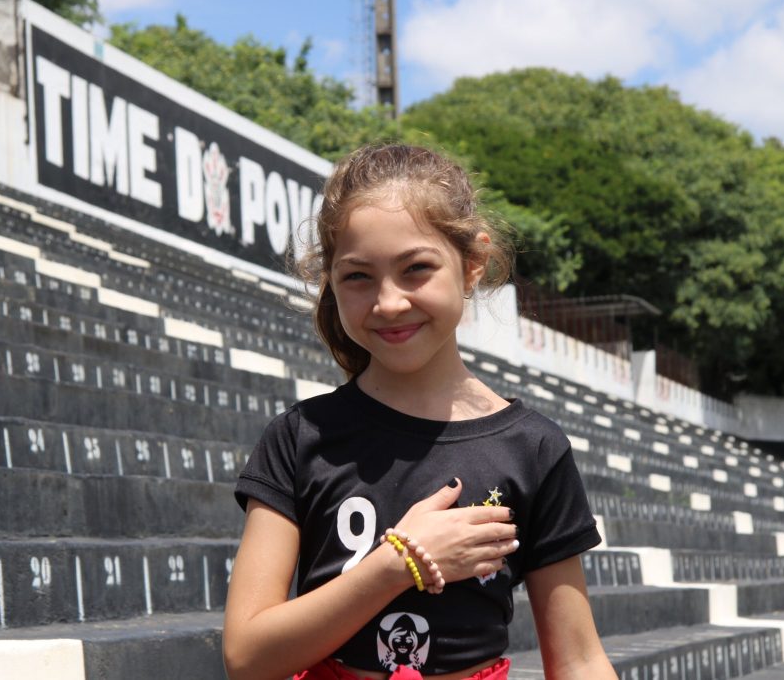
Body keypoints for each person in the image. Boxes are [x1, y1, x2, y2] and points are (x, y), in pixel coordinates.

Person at [223, 144, 616, 680]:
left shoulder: (534, 448)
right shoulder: (299, 437)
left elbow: (579, 660)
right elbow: (246, 657)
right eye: (357, 276)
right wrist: (398, 563)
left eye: (416, 269)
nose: (388, 303)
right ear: (330, 281)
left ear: (473, 264)